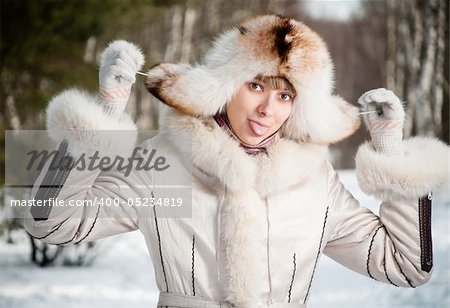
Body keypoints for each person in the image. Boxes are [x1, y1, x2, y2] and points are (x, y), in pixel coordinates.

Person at [25, 15, 448, 308]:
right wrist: (105, 114)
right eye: (255, 86)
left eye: (285, 95)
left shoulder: (313, 180)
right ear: (225, 86)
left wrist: (391, 151)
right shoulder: (168, 162)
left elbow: (406, 267)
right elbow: (51, 221)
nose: (268, 108)